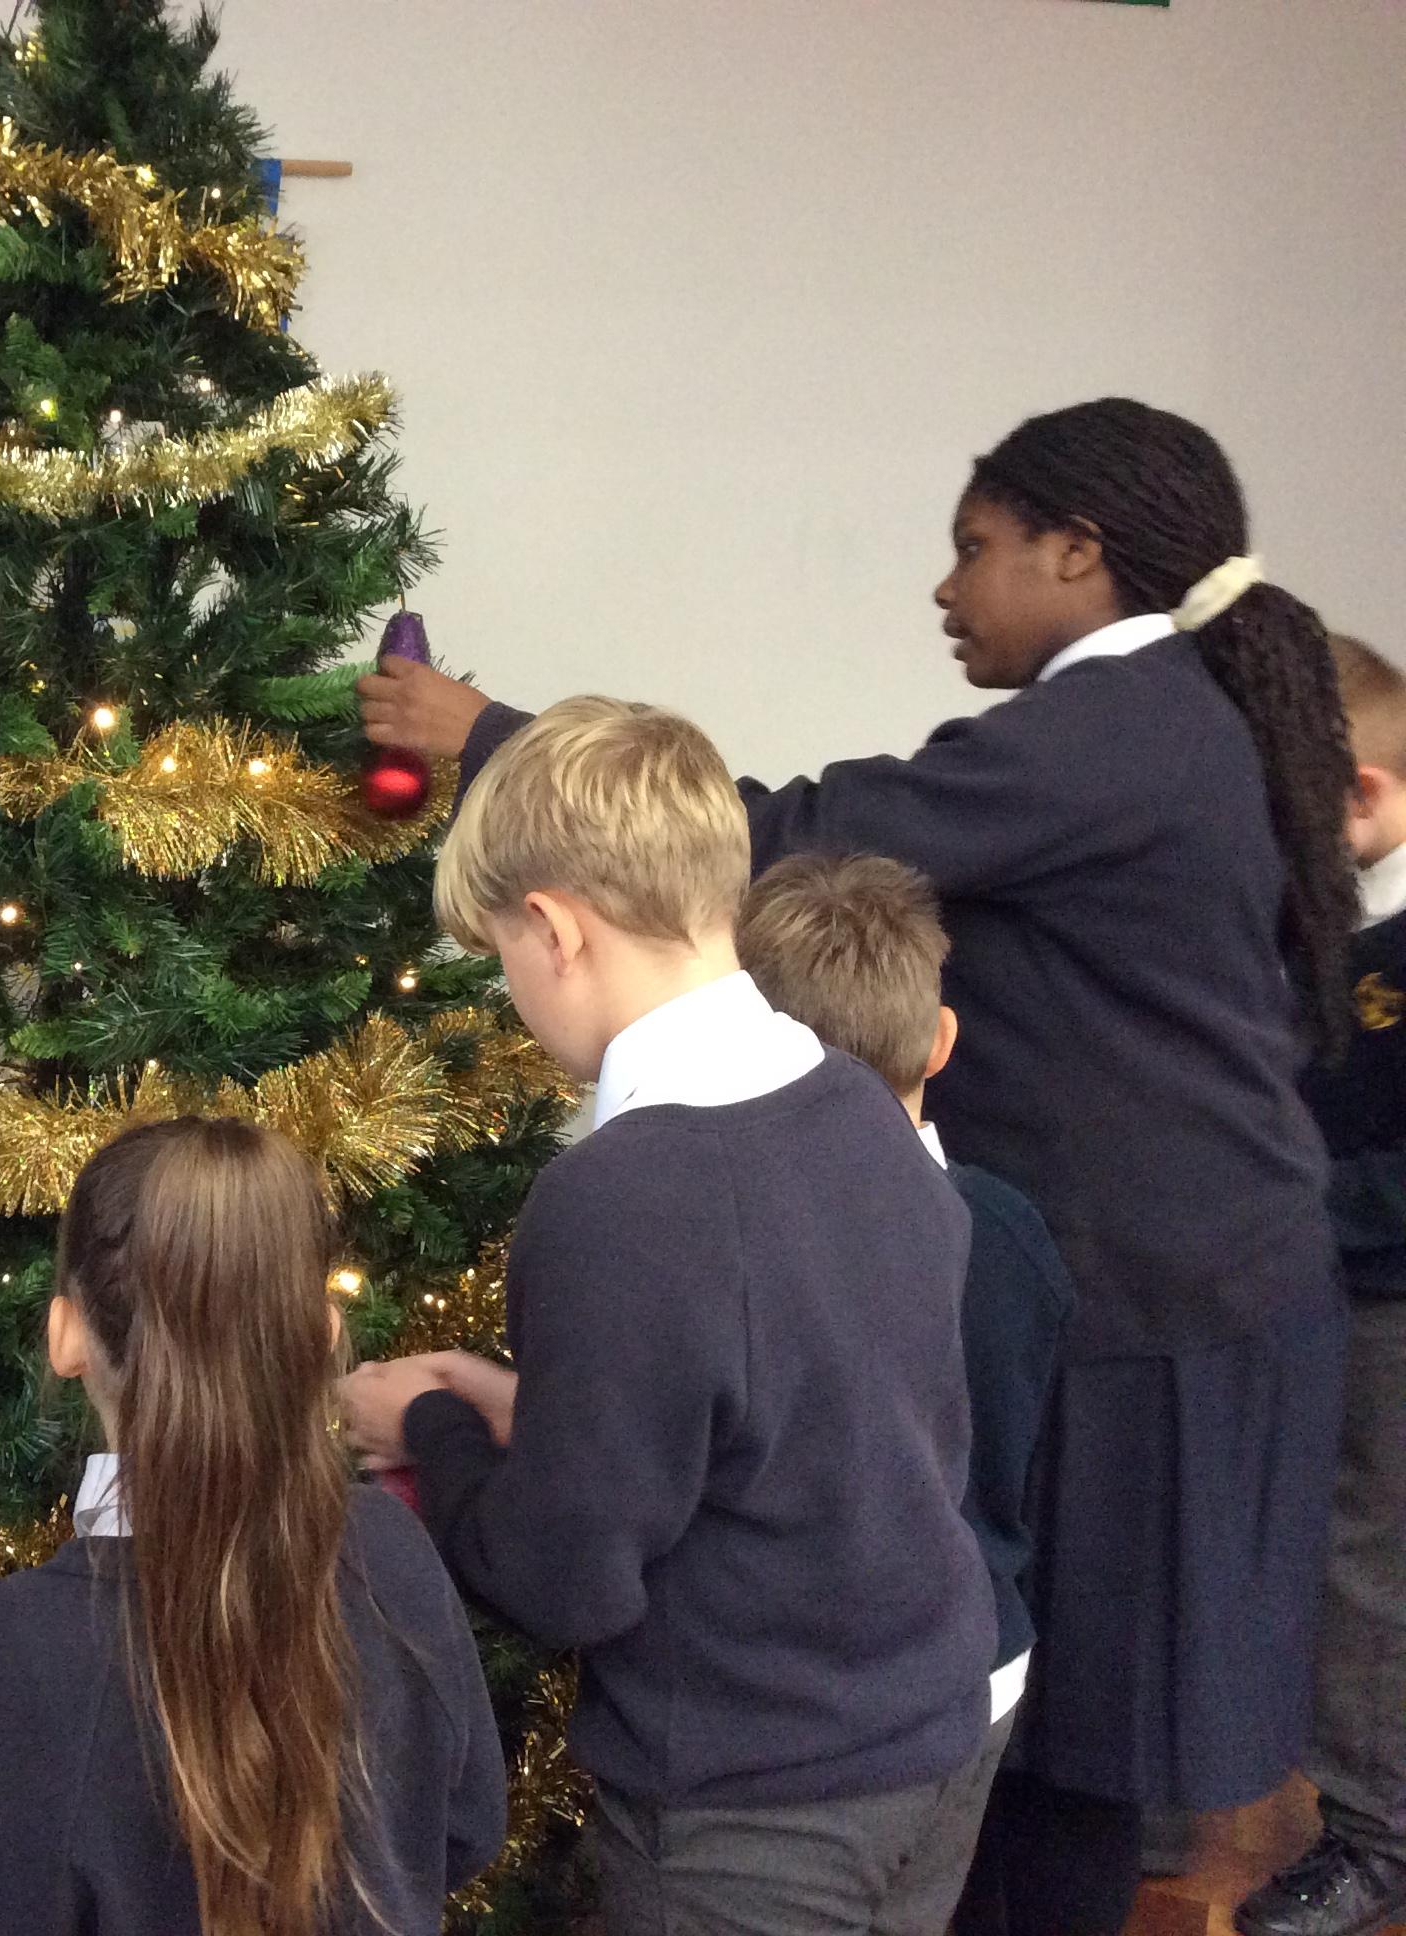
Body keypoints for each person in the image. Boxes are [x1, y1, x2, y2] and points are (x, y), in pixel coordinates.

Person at [365, 400, 1351, 1933]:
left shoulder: (1117, 722)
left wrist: (497, 740)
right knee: (1065, 1741)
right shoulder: (862, 1130)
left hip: (1154, 1304)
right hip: (1196, 1278)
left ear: (1078, 552)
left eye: (976, 548)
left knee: (1077, 1758)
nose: (947, 589)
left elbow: (820, 832)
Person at [340, 698, 996, 1935]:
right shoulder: (856, 1104)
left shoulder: (623, 1193)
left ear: (553, 930)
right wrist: (527, 1405)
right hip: (931, 1740)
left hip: (756, 1807)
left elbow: (565, 1576)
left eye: (501, 954)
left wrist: (430, 1423)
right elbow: (795, 1415)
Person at [0, 1117, 506, 1935]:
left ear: (66, 1336)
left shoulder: (24, 1645)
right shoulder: (391, 1553)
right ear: (321, 1335)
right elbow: (467, 1828)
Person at [736, 854, 1077, 1847]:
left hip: (816, 1705)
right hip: (986, 1657)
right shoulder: (1009, 1227)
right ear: (941, 1040)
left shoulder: (747, 1239)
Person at [1234, 637, 1406, 1936]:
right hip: (1321, 1290)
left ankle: (1376, 1843)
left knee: (1367, 1568)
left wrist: (1293, 1210)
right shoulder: (1332, 924)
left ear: (1364, 793)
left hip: (1388, 1301)